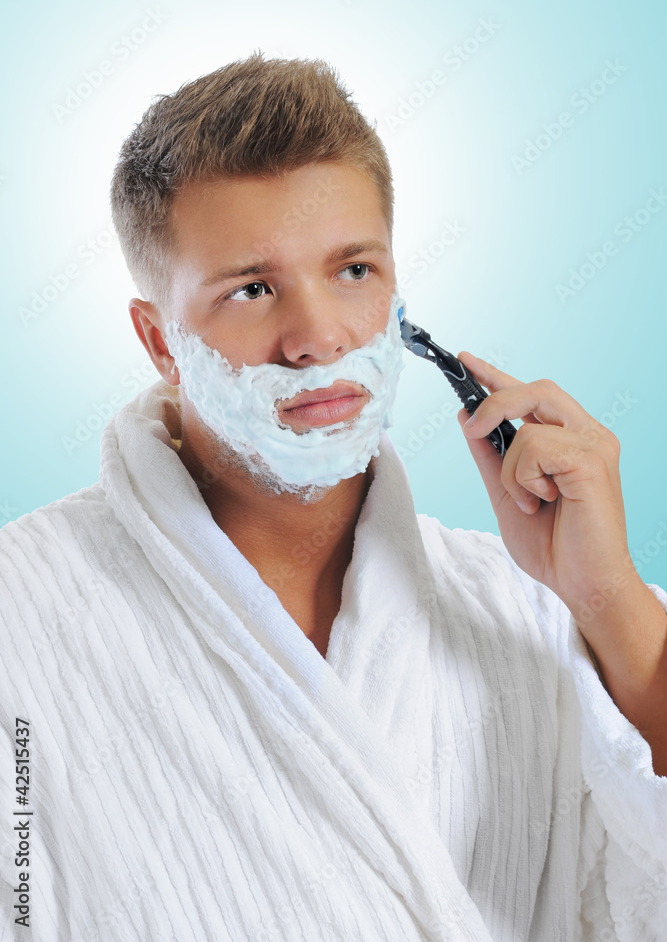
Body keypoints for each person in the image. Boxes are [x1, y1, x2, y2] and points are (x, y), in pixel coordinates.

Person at [1, 52, 665, 942]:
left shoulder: (527, 604)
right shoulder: (21, 610)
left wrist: (606, 597)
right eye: (253, 288)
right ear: (160, 341)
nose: (316, 336)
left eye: (353, 270)